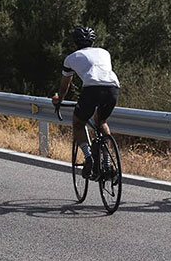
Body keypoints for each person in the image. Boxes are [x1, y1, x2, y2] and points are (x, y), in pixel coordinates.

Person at [51, 25, 120, 179]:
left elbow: (64, 86)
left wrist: (59, 100)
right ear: (93, 43)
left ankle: (88, 157)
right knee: (101, 121)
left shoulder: (71, 58)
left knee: (78, 122)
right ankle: (107, 163)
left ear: (75, 44)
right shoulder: (104, 52)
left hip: (91, 89)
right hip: (113, 88)